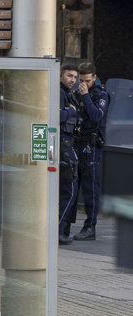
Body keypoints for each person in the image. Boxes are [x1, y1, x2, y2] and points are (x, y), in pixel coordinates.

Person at [67, 62, 110, 241]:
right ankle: (65, 226)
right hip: (77, 141)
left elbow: (96, 115)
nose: (84, 83)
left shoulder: (101, 94)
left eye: (87, 80)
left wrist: (85, 96)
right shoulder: (78, 92)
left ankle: (90, 227)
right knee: (72, 184)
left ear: (94, 77)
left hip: (92, 145)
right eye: (81, 80)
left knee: (90, 187)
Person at [58, 64, 81, 245]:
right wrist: (71, 111)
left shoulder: (68, 93)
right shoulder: (59, 93)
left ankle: (59, 230)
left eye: (75, 77)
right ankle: (57, 230)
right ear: (60, 75)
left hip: (66, 144)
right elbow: (55, 115)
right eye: (69, 76)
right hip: (62, 146)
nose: (72, 80)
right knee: (69, 190)